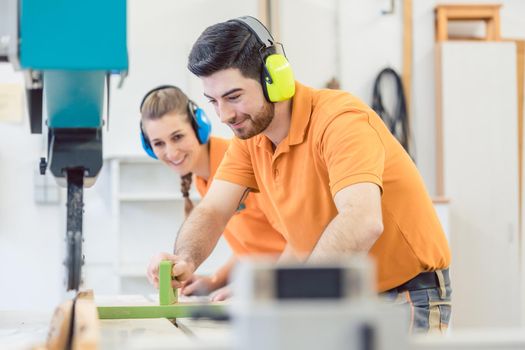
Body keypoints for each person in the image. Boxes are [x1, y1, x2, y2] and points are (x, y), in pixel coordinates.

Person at [147, 16, 452, 333]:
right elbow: (212, 210)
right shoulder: (251, 139)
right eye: (214, 101)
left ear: (273, 79)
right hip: (343, 294)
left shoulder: (339, 120)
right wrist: (184, 259)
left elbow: (363, 221)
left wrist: (291, 291)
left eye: (234, 96)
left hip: (406, 291)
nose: (224, 116)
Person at [140, 85, 286, 301]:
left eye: (178, 137)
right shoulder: (203, 179)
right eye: (159, 143)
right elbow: (253, 246)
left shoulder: (244, 162)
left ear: (200, 127)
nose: (171, 152)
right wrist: (214, 281)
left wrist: (255, 286)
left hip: (296, 283)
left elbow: (298, 240)